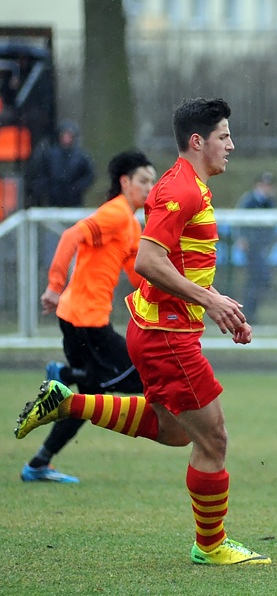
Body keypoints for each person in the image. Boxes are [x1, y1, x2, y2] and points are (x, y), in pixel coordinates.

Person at [15, 97, 270, 565]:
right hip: (165, 335)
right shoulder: (182, 190)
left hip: (160, 329)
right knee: (213, 440)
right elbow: (149, 262)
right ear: (198, 141)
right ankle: (211, 545)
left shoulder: (190, 185)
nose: (231, 145)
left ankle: (69, 401)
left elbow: (164, 262)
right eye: (224, 136)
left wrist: (211, 301)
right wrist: (210, 300)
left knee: (175, 432)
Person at [20, 150, 156, 484]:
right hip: (86, 321)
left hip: (82, 318)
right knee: (141, 378)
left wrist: (173, 296)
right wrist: (54, 285)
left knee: (85, 400)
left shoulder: (130, 223)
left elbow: (139, 276)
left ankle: (39, 463)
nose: (149, 188)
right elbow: (70, 236)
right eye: (143, 181)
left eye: (152, 181)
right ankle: (65, 371)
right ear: (124, 182)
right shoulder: (115, 214)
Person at [233, 171, 277, 323]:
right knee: (257, 279)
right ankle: (247, 312)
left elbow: (272, 225)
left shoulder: (270, 203)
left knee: (259, 280)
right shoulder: (249, 201)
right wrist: (241, 238)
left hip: (261, 247)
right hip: (251, 247)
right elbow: (238, 221)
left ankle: (249, 312)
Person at [26, 120, 95, 207]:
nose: (66, 138)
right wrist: (48, 188)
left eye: (69, 135)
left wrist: (77, 188)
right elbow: (41, 173)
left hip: (74, 199)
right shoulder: (49, 154)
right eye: (64, 135)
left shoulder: (81, 156)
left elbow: (89, 175)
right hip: (53, 199)